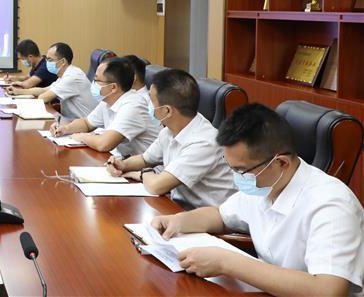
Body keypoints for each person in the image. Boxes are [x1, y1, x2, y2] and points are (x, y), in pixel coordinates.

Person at [151, 104, 363, 296]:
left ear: (281, 163)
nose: (238, 177)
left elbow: (328, 290)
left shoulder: (331, 204)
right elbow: (221, 216)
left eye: (242, 170)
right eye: (232, 168)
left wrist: (226, 262)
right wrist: (179, 221)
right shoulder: (265, 182)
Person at [105, 69, 235, 208]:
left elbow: (156, 186)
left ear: (166, 110)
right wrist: (122, 165)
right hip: (178, 207)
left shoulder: (203, 142)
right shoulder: (169, 131)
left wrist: (144, 173)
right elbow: (145, 159)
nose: (147, 104)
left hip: (208, 216)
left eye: (151, 101)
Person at [52, 57, 157, 156]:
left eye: (97, 80)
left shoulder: (133, 106)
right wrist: (65, 128)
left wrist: (81, 137)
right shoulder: (107, 100)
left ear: (113, 87)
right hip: (125, 160)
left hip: (148, 167)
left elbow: (103, 144)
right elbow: (87, 123)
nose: (93, 84)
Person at [6, 42, 97, 119]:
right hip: (71, 122)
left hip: (85, 126)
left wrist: (20, 103)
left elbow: (43, 97)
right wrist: (18, 91)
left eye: (50, 59)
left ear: (62, 62)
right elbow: (44, 90)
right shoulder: (65, 75)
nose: (47, 62)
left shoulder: (72, 77)